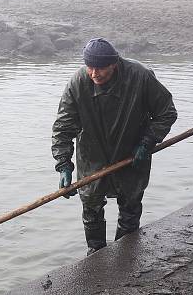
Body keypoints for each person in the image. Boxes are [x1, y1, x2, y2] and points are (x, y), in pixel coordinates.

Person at [52, 38, 178, 254]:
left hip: (132, 153)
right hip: (92, 156)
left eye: (100, 68)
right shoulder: (78, 83)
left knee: (130, 207)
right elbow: (63, 127)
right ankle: (95, 253)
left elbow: (166, 113)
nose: (94, 74)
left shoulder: (140, 76)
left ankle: (125, 256)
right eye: (90, 67)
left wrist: (147, 142)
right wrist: (63, 164)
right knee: (91, 208)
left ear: (114, 64)